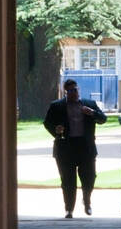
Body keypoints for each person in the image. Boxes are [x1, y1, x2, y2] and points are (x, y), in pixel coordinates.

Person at [43, 78, 107, 218]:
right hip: (66, 147)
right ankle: (69, 209)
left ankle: (87, 200)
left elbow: (103, 119)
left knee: (89, 177)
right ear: (66, 92)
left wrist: (92, 113)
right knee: (67, 180)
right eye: (70, 91)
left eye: (76, 90)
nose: (74, 93)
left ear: (79, 90)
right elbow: (47, 122)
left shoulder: (89, 104)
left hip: (86, 147)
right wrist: (56, 130)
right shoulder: (57, 106)